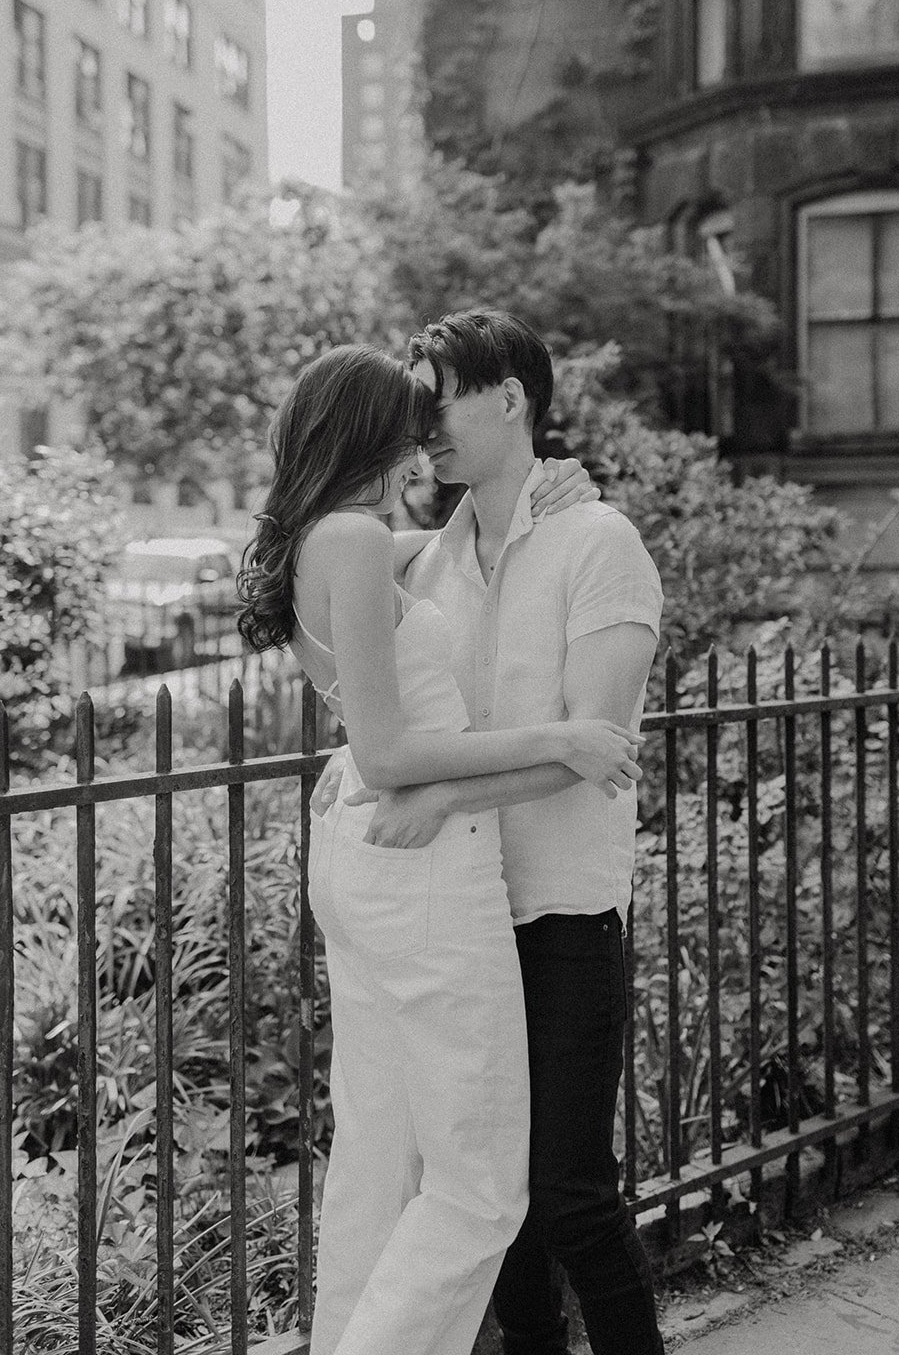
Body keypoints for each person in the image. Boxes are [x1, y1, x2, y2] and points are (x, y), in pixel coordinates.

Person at [236, 344, 643, 1355]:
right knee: (477, 1187)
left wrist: (539, 483)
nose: (426, 431)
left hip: (396, 868)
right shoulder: (362, 543)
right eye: (411, 413)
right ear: (371, 429)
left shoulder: (350, 537)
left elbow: (448, 551)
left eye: (441, 404)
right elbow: (385, 749)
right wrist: (554, 736)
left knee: (381, 1159)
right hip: (421, 867)